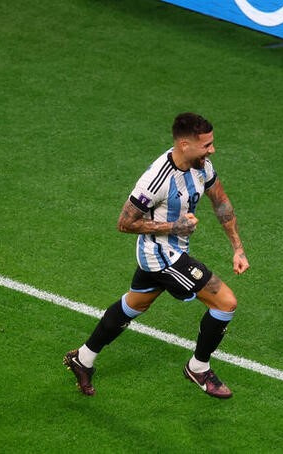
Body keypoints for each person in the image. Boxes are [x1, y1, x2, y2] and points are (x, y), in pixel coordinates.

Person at [64, 112, 249, 398]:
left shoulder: (203, 167)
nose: (212, 150)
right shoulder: (155, 180)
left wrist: (238, 248)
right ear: (185, 145)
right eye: (207, 145)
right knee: (225, 303)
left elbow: (221, 203)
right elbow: (124, 223)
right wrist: (175, 226)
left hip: (174, 250)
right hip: (161, 255)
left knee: (135, 304)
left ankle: (83, 359)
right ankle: (198, 368)